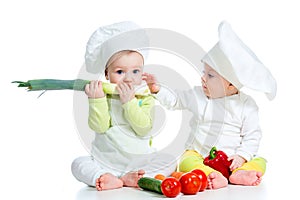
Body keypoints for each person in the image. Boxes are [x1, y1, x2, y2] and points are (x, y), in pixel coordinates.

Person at [143, 21, 277, 189]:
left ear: (231, 86)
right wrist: (157, 90)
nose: (203, 78)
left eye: (211, 75)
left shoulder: (246, 105)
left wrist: (242, 157)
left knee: (260, 161)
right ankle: (210, 175)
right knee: (186, 161)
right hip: (200, 156)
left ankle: (239, 173)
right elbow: (175, 99)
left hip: (232, 160)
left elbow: (252, 136)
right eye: (204, 72)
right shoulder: (197, 95)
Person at [71, 21, 176, 191]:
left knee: (169, 160)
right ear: (107, 74)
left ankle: (140, 177)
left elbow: (143, 128)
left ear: (142, 72)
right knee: (78, 164)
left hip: (141, 161)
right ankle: (106, 178)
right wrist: (96, 100)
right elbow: (99, 126)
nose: (128, 79)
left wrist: (129, 102)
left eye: (135, 71)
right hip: (106, 162)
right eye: (120, 72)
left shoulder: (146, 96)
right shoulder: (103, 95)